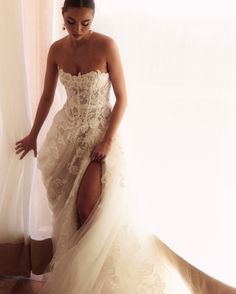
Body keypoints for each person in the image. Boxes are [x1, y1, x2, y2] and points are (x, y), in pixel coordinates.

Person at [14, 1, 236, 293]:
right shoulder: (56, 50)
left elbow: (122, 98)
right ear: (63, 17)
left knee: (87, 208)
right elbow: (46, 97)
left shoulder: (107, 46)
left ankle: (102, 279)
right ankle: (83, 279)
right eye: (71, 22)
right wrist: (33, 135)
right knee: (70, 216)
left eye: (85, 23)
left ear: (93, 20)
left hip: (99, 135)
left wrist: (106, 140)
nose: (78, 29)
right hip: (66, 137)